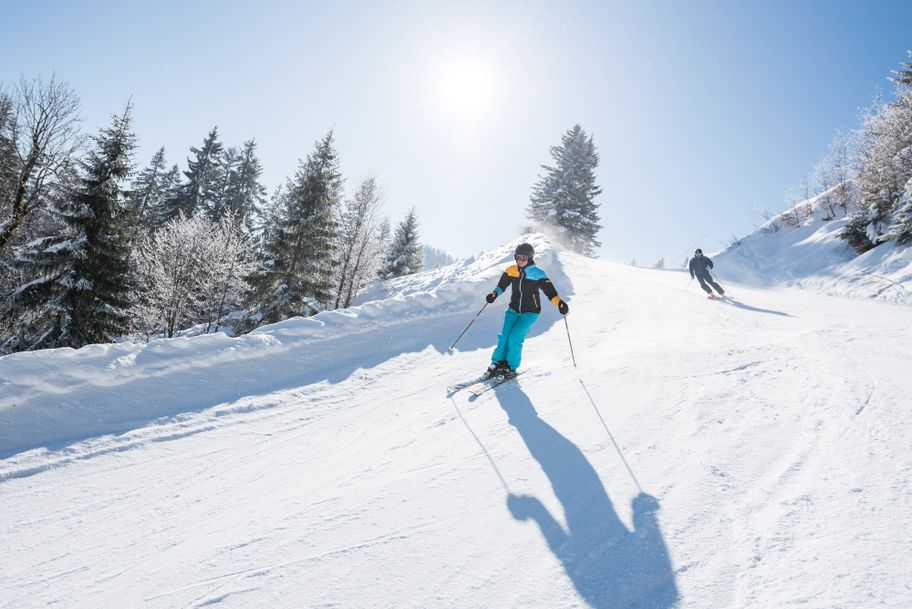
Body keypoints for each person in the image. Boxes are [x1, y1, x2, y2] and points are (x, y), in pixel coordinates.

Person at [483, 243, 569, 379]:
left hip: (530, 313)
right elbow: (501, 286)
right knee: (504, 337)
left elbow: (550, 293)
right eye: (518, 257)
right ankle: (498, 362)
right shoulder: (511, 270)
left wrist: (560, 303)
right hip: (512, 310)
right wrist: (494, 294)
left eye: (524, 257)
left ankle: (511, 366)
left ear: (530, 258)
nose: (521, 260)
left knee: (515, 337)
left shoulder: (538, 274)